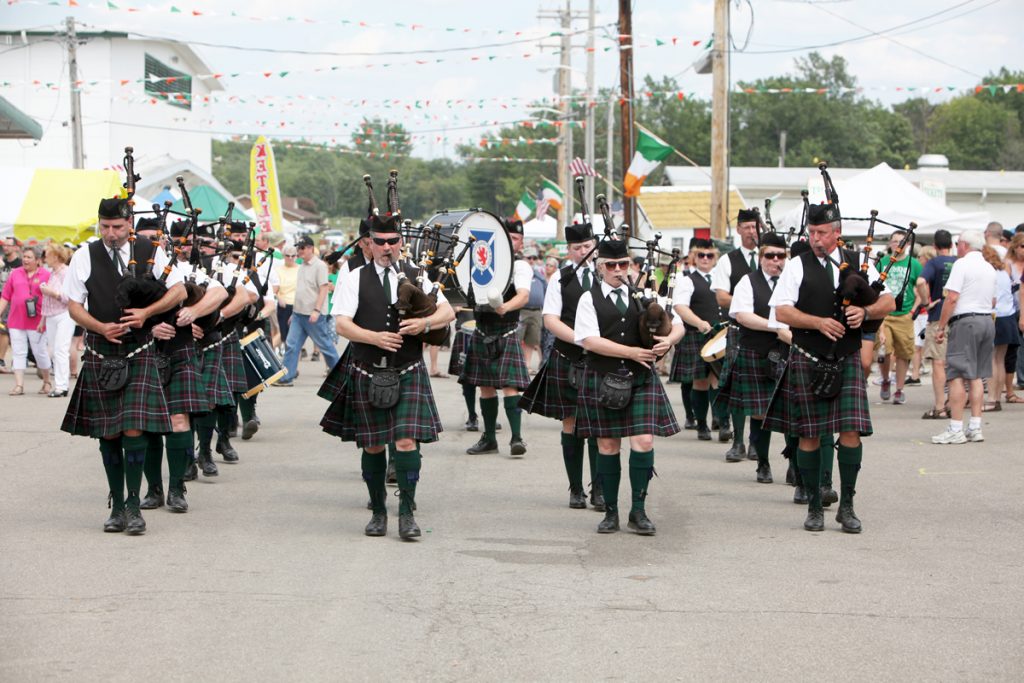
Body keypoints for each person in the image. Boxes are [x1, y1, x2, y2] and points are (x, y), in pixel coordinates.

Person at [765, 203, 896, 533]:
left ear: (837, 233)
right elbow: (781, 311)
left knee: (851, 432)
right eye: (811, 233)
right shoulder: (797, 266)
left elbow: (889, 302)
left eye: (822, 233)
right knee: (809, 434)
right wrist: (818, 322)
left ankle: (847, 506)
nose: (816, 239)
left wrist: (865, 314)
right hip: (808, 356)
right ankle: (813, 506)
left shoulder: (858, 262)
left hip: (847, 357)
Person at [325, 211, 454, 539]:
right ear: (369, 244)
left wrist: (425, 324)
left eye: (392, 241)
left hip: (408, 369)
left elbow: (448, 311)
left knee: (407, 442)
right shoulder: (354, 277)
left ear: (401, 242)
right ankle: (378, 510)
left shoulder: (417, 274)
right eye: (379, 242)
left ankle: (407, 513)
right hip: (368, 370)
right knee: (371, 446)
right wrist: (374, 337)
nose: (386, 247)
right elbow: (341, 323)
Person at [60, 196, 183, 535]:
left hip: (139, 348)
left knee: (133, 428)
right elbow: (73, 305)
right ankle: (116, 505)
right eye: (105, 227)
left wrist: (147, 313)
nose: (110, 233)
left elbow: (179, 290)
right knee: (108, 430)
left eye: (116, 227)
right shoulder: (85, 255)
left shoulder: (150, 249)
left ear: (129, 223)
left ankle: (133, 505)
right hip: (101, 350)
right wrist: (98, 327)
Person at [574, 237, 683, 535]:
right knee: (608, 445)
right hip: (603, 376)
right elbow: (590, 341)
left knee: (644, 441)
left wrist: (669, 340)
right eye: (612, 265)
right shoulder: (589, 298)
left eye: (624, 264)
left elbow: (677, 323)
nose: (618, 270)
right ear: (600, 268)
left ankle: (639, 510)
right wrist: (632, 353)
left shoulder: (644, 297)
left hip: (640, 379)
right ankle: (611, 512)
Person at [140, 217, 229, 512]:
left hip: (178, 351)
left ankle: (177, 488)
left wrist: (193, 311)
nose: (149, 244)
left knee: (179, 421)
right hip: (143, 351)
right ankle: (154, 490)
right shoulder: (127, 269)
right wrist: (150, 327)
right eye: (143, 237)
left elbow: (219, 293)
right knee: (148, 427)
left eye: (154, 237)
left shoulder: (184, 271)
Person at [520, 221, 604, 510]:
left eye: (587, 246)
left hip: (601, 360)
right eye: (577, 247)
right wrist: (584, 340)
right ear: (569, 250)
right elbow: (551, 320)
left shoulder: (606, 274)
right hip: (569, 357)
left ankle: (599, 489)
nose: (584, 251)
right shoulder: (561, 279)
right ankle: (576, 488)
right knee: (572, 420)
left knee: (597, 424)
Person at [719, 232, 791, 484]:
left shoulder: (793, 281)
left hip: (789, 354)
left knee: (793, 411)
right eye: (769, 255)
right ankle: (763, 463)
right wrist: (777, 328)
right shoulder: (747, 282)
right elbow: (742, 316)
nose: (775, 260)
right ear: (760, 258)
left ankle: (794, 464)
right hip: (757, 353)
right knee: (760, 413)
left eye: (780, 255)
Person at [463, 218, 533, 457]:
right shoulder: (480, 262)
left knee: (510, 387)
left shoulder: (520, 266)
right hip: (482, 330)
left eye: (514, 238)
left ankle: (516, 438)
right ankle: (489, 439)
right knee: (485, 387)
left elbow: (523, 296)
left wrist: (505, 307)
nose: (510, 242)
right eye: (506, 237)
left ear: (521, 242)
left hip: (507, 331)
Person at [932, 230, 996, 444]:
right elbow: (994, 301)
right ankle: (975, 426)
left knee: (956, 374)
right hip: (987, 319)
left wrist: (941, 327)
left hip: (966, 320)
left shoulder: (962, 264)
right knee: (977, 375)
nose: (956, 246)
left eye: (958, 243)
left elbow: (951, 298)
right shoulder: (989, 266)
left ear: (964, 245)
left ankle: (955, 427)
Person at [712, 209, 760, 461]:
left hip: (764, 331)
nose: (752, 232)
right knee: (738, 387)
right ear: (739, 229)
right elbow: (721, 296)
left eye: (755, 227)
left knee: (760, 389)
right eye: (747, 227)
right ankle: (738, 442)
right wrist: (750, 305)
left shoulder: (770, 258)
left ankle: (755, 444)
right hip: (739, 330)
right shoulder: (727, 261)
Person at [672, 238, 728, 443]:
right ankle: (702, 424)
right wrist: (699, 323)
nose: (705, 259)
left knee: (719, 380)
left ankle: (723, 423)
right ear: (694, 258)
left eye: (709, 255)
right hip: (698, 334)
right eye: (701, 255)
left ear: (715, 258)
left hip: (722, 335)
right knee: (701, 381)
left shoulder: (722, 279)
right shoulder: (687, 280)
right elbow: (680, 306)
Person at [279, 236, 340, 386]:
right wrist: (294, 313)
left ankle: (341, 375)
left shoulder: (319, 266)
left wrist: (317, 310)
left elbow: (323, 288)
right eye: (298, 248)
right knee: (291, 344)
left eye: (302, 248)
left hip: (314, 314)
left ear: (310, 248)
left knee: (325, 345)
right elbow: (300, 291)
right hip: (299, 313)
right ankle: (287, 376)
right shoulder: (302, 266)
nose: (299, 251)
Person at [877, 233, 923, 405]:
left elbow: (920, 288)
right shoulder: (883, 262)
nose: (898, 244)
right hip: (885, 314)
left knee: (903, 353)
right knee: (885, 350)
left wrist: (912, 311)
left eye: (901, 241)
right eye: (895, 241)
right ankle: (885, 379)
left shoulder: (914, 264)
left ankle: (899, 389)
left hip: (904, 315)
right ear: (890, 243)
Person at [916, 229, 958, 419]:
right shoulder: (958, 262)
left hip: (938, 315)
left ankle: (940, 405)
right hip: (958, 315)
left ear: (935, 246)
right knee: (954, 363)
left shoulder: (933, 262)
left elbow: (921, 281)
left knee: (939, 363)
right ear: (951, 245)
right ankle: (953, 402)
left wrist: (926, 302)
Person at [0, 244, 52, 395]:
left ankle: (47, 381)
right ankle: (19, 385)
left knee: (39, 352)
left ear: (37, 260)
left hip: (37, 321)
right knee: (18, 352)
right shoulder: (15, 273)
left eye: (29, 257)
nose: (25, 260)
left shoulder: (45, 275)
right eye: (24, 257)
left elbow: (50, 299)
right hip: (16, 319)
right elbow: (5, 296)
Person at [40, 243, 75, 397]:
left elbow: (70, 297)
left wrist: (51, 292)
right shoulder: (53, 273)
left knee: (61, 349)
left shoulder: (65, 272)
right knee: (55, 350)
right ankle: (60, 384)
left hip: (64, 314)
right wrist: (42, 320)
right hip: (52, 315)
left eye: (47, 255)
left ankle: (62, 386)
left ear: (55, 256)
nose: (44, 258)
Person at [987, 245, 1016, 411]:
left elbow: (992, 300)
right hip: (1008, 317)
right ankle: (996, 397)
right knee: (1000, 360)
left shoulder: (992, 274)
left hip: (995, 316)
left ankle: (991, 399)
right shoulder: (1005, 273)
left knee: (991, 359)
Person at [519, 246, 545, 373]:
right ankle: (518, 364)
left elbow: (545, 289)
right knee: (518, 339)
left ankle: (527, 365)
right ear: (523, 258)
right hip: (522, 310)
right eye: (529, 258)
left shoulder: (539, 275)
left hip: (536, 312)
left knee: (532, 340)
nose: (532, 260)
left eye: (534, 258)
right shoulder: (519, 272)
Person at [0, 237, 23, 374]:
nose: (5, 247)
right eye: (4, 245)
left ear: (16, 247)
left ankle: (10, 360)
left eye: (9, 245)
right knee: (3, 329)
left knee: (6, 330)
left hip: (14, 301)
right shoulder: (2, 263)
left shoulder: (20, 264)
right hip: (2, 299)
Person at [275, 244, 299, 352]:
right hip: (283, 305)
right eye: (287, 255)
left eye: (293, 256)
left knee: (295, 336)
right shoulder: (278, 270)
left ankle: (293, 364)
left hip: (297, 305)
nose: (290, 258)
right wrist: (279, 298)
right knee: (282, 333)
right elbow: (274, 288)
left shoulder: (300, 269)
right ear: (283, 256)